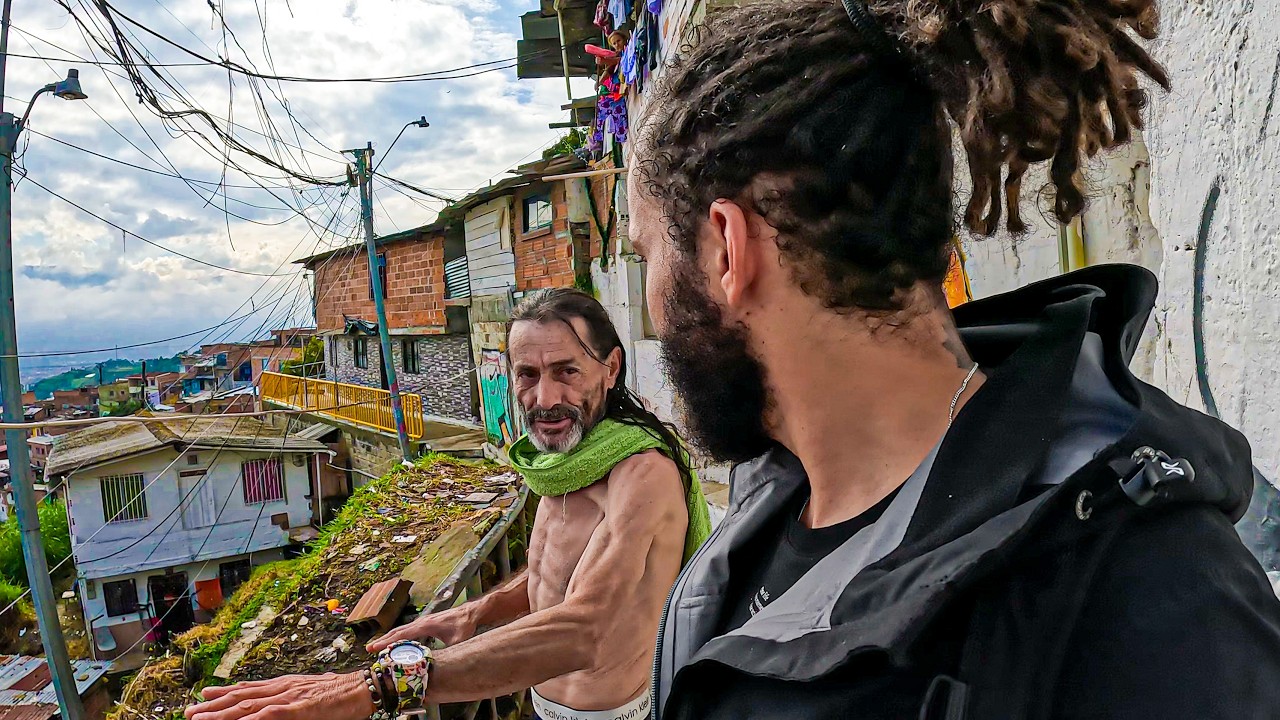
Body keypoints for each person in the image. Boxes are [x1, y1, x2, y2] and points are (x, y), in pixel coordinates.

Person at [627, 0, 1280, 718]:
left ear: (726, 248)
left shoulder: (1152, 599)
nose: (653, 312)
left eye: (647, 254)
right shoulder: (765, 507)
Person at [185, 289, 710, 720]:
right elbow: (558, 573)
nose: (544, 397)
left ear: (611, 368)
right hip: (545, 705)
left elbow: (586, 629)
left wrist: (372, 689)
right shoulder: (565, 464)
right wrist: (475, 612)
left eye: (567, 372)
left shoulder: (643, 474)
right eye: (527, 374)